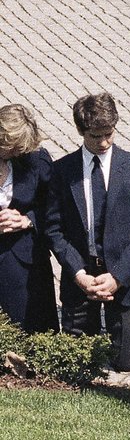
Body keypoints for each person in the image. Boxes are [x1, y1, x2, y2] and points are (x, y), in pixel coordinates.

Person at [44, 93, 130, 372]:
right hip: (83, 276)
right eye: (96, 136)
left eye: (109, 134)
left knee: (125, 362)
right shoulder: (62, 171)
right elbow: (54, 229)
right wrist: (78, 273)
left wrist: (117, 277)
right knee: (79, 359)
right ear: (81, 131)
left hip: (124, 277)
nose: (104, 143)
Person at [0, 103, 58, 333]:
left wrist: (28, 220)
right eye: (11, 148)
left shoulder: (35, 160)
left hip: (23, 259)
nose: (16, 153)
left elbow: (55, 207)